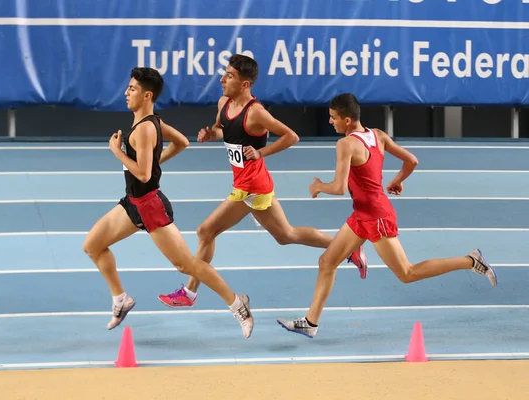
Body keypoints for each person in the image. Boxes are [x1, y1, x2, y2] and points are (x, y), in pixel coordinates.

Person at [277, 93, 498, 338]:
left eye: (333, 118)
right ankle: (311, 322)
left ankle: (471, 260)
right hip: (362, 214)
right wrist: (397, 181)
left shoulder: (346, 144)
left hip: (376, 218)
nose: (331, 122)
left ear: (347, 120)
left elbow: (339, 188)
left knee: (407, 273)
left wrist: (319, 186)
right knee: (327, 262)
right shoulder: (378, 135)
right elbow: (412, 161)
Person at [158, 54, 368, 309]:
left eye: (230, 76)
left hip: (252, 188)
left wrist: (260, 152)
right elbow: (225, 130)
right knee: (286, 234)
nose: (222, 79)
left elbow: (291, 136)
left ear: (245, 84)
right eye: (224, 73)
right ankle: (347, 247)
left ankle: (189, 293)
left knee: (205, 231)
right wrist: (211, 134)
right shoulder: (223, 102)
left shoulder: (256, 113)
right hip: (252, 184)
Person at [82, 67, 254, 338]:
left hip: (150, 207)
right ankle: (120, 299)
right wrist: (152, 163)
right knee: (93, 246)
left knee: (186, 264)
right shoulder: (151, 122)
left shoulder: (145, 129)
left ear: (147, 95)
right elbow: (182, 142)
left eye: (133, 89)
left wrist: (118, 152)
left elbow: (143, 173)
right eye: (128, 87)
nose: (126, 92)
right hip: (132, 203)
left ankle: (237, 303)